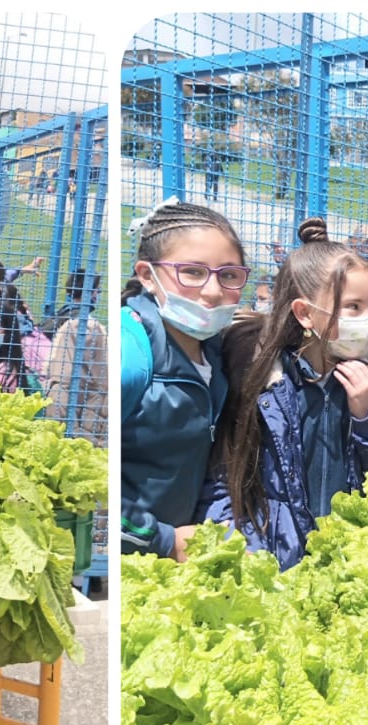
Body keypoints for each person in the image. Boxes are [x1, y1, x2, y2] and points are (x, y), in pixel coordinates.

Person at [197, 217, 368, 570]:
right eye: (353, 307)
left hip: (342, 561)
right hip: (272, 560)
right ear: (305, 313)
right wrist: (244, 552)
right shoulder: (259, 378)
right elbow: (224, 479)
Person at [120, 199, 246, 560]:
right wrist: (163, 541)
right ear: (147, 275)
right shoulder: (130, 353)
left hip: (177, 565)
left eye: (229, 275)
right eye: (192, 272)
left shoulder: (217, 352)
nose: (212, 291)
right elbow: (91, 486)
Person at [44, 272, 108, 447]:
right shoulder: (90, 325)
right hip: (80, 392)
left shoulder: (56, 318)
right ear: (91, 292)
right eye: (97, 290)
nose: (98, 295)